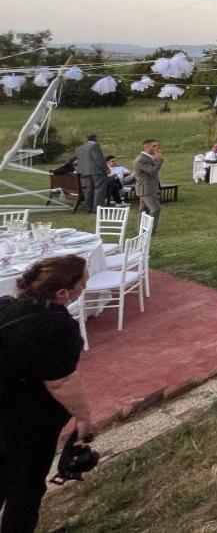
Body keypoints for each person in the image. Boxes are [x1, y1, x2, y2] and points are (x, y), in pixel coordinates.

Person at [0, 255, 94, 533]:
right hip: (27, 421)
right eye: (83, 284)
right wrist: (84, 418)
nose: (85, 288)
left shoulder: (5, 305)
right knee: (26, 487)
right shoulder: (57, 327)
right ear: (62, 293)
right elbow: (61, 382)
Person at [133, 139, 164, 233]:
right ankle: (150, 231)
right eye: (154, 146)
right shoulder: (142, 159)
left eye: (157, 145)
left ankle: (141, 230)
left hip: (146, 188)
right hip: (146, 189)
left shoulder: (148, 157)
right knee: (155, 209)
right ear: (146, 147)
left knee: (143, 211)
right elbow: (152, 171)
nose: (157, 148)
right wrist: (159, 160)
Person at [74, 134, 106, 214]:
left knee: (88, 190)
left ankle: (89, 208)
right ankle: (98, 209)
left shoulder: (79, 148)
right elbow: (98, 159)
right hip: (96, 171)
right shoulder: (94, 146)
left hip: (84, 172)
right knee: (99, 189)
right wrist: (105, 169)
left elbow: (76, 160)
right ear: (95, 139)